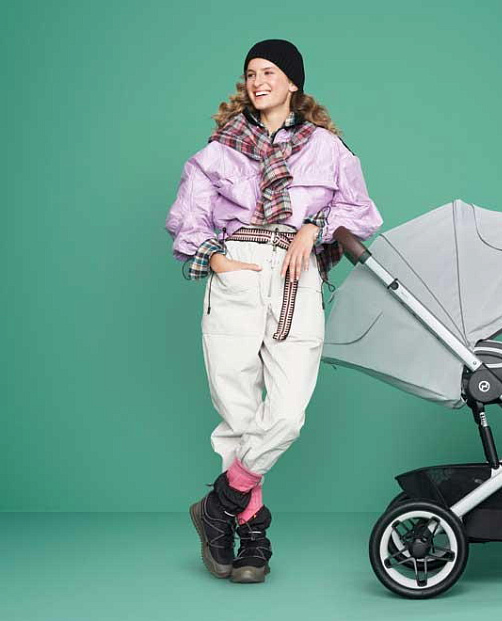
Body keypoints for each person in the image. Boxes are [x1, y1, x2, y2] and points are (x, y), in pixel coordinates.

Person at [164, 39, 382, 583]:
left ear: (293, 82)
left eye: (269, 71)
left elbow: (360, 209)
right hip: (237, 271)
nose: (258, 81)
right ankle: (251, 535)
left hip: (295, 276)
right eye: (251, 73)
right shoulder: (219, 150)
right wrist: (216, 259)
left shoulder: (328, 148)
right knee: (238, 413)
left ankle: (219, 504)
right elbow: (187, 217)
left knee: (285, 414)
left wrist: (314, 226)